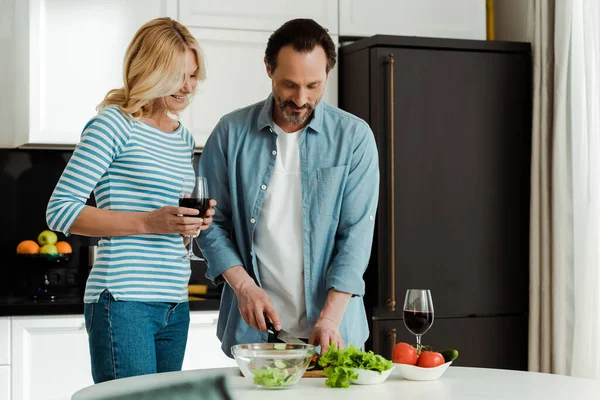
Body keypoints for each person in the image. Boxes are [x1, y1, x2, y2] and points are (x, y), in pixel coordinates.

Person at [46, 17, 215, 383]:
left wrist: (191, 226)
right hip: (123, 300)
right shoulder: (113, 125)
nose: (188, 88)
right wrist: (149, 221)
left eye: (193, 76)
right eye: (179, 76)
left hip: (174, 300)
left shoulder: (182, 136)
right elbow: (60, 211)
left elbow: (170, 222)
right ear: (151, 71)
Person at [197, 18, 380, 357]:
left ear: (328, 74)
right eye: (289, 84)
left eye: (314, 85)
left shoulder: (354, 139)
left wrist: (328, 319)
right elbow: (211, 225)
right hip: (253, 337)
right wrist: (244, 287)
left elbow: (355, 237)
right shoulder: (229, 134)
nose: (301, 98)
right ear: (268, 68)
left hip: (333, 331)